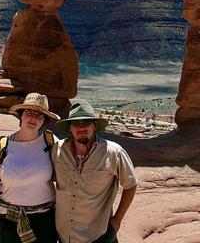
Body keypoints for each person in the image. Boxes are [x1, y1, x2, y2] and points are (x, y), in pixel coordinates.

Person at [52, 101, 138, 243]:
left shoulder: (113, 152)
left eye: (86, 122)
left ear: (94, 125)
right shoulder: (58, 149)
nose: (81, 128)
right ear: (70, 127)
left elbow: (131, 184)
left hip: (97, 236)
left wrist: (117, 221)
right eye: (76, 123)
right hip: (63, 235)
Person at [0, 92, 60, 243]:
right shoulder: (2, 145)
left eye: (39, 115)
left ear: (44, 120)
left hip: (44, 223)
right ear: (21, 115)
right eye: (29, 112)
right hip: (7, 222)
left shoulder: (51, 142)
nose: (33, 118)